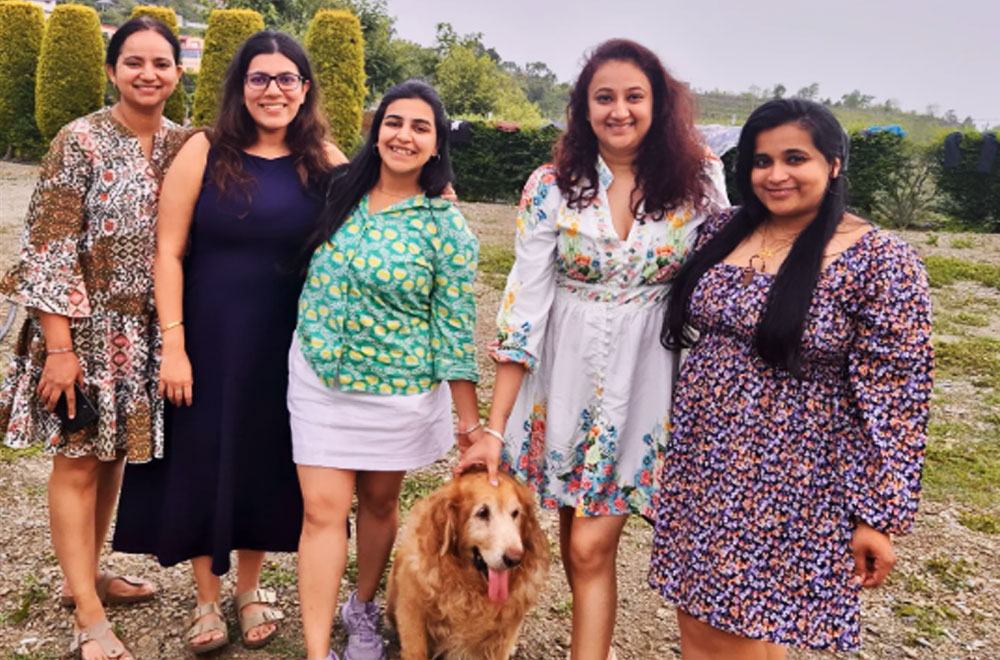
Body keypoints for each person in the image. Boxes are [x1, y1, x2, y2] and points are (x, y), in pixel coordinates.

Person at [458, 39, 728, 660]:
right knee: (579, 540)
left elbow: (728, 267)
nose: (619, 110)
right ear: (583, 108)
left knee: (587, 546)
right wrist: (495, 427)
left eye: (635, 96)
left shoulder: (701, 175)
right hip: (564, 377)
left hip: (652, 377)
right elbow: (523, 307)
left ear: (659, 103)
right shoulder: (551, 186)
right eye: (603, 97)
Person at [650, 98, 933, 659]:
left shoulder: (881, 261)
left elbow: (899, 399)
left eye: (794, 158)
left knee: (739, 630)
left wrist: (877, 516)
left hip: (792, 479)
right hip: (704, 463)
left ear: (833, 164)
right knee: (698, 619)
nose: (775, 175)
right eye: (761, 161)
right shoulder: (724, 229)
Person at [111, 31, 346, 654]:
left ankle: (248, 586)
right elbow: (168, 251)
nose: (273, 90)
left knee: (267, 462)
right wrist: (173, 343)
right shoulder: (204, 150)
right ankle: (206, 598)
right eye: (260, 78)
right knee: (204, 457)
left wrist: (437, 191)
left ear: (304, 88)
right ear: (240, 86)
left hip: (286, 343)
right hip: (208, 339)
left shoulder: (322, 158)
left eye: (287, 78)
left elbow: (384, 202)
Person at [0, 16, 186, 660]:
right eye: (133, 62)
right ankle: (85, 610)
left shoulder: (184, 145)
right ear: (112, 70)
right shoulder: (77, 140)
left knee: (111, 457)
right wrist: (59, 348)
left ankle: (91, 572)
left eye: (160, 63)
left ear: (177, 73)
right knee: (77, 460)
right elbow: (48, 248)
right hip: (79, 329)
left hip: (141, 333)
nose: (147, 73)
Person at [291, 79, 480, 660]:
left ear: (435, 145)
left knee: (377, 505)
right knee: (322, 512)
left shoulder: (445, 226)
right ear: (377, 131)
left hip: (397, 392)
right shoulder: (334, 190)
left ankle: (364, 605)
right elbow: (294, 133)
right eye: (394, 122)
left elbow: (454, 328)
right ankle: (318, 650)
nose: (404, 135)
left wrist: (471, 425)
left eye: (420, 127)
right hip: (319, 376)